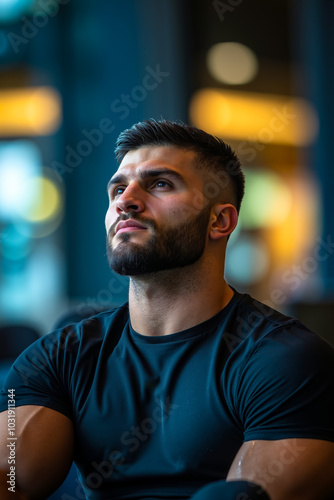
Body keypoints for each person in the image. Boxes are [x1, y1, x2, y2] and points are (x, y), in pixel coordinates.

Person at [1, 119, 334, 500]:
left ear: (220, 221)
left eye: (160, 184)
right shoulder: (57, 356)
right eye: (118, 188)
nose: (126, 200)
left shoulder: (283, 359)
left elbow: (254, 494)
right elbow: (12, 482)